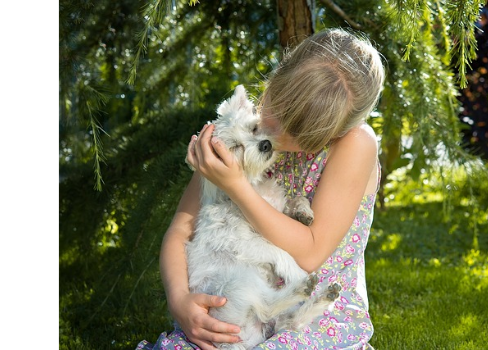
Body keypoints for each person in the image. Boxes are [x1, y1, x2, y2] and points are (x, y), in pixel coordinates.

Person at [136, 28, 386, 350]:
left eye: (297, 131)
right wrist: (180, 300)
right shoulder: (244, 128)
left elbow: (309, 252)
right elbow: (182, 230)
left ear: (335, 132)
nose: (273, 132)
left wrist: (236, 186)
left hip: (312, 316)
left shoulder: (355, 145)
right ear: (278, 77)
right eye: (276, 108)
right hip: (238, 308)